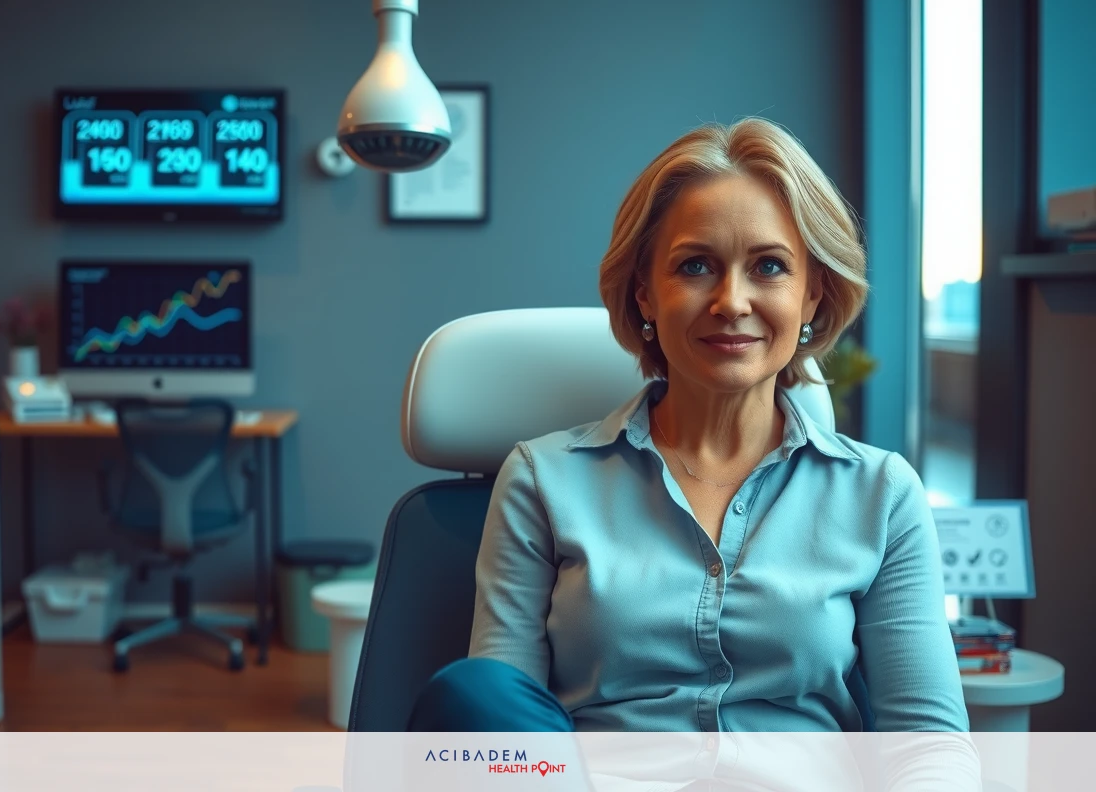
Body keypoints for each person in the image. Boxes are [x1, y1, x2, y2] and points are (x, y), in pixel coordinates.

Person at [406, 118, 979, 787]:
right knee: (474, 695)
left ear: (812, 293)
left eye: (769, 266)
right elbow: (501, 733)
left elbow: (929, 745)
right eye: (695, 265)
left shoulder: (882, 494)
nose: (731, 301)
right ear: (646, 292)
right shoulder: (542, 480)